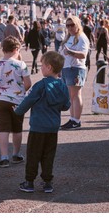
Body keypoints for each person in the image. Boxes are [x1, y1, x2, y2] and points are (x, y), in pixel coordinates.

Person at [15, 51, 70, 193]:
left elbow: (28, 101)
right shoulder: (63, 85)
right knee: (48, 155)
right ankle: (47, 182)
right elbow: (66, 106)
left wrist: (18, 111)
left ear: (49, 67)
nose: (41, 68)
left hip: (38, 126)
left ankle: (29, 181)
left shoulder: (40, 85)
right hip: (53, 127)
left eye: (42, 66)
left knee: (33, 155)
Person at [0, 36, 32, 168]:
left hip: (1, 100)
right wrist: (19, 90)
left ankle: (4, 157)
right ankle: (16, 154)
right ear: (16, 49)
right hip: (17, 101)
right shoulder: (21, 64)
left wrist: (2, 91)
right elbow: (28, 83)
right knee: (17, 129)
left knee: (3, 129)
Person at [60, 15, 90, 130]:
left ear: (77, 24)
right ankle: (73, 119)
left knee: (76, 95)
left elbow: (83, 54)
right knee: (71, 96)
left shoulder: (81, 37)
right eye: (67, 25)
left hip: (76, 68)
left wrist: (70, 52)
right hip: (67, 68)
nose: (70, 28)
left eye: (72, 25)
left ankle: (76, 120)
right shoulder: (69, 38)